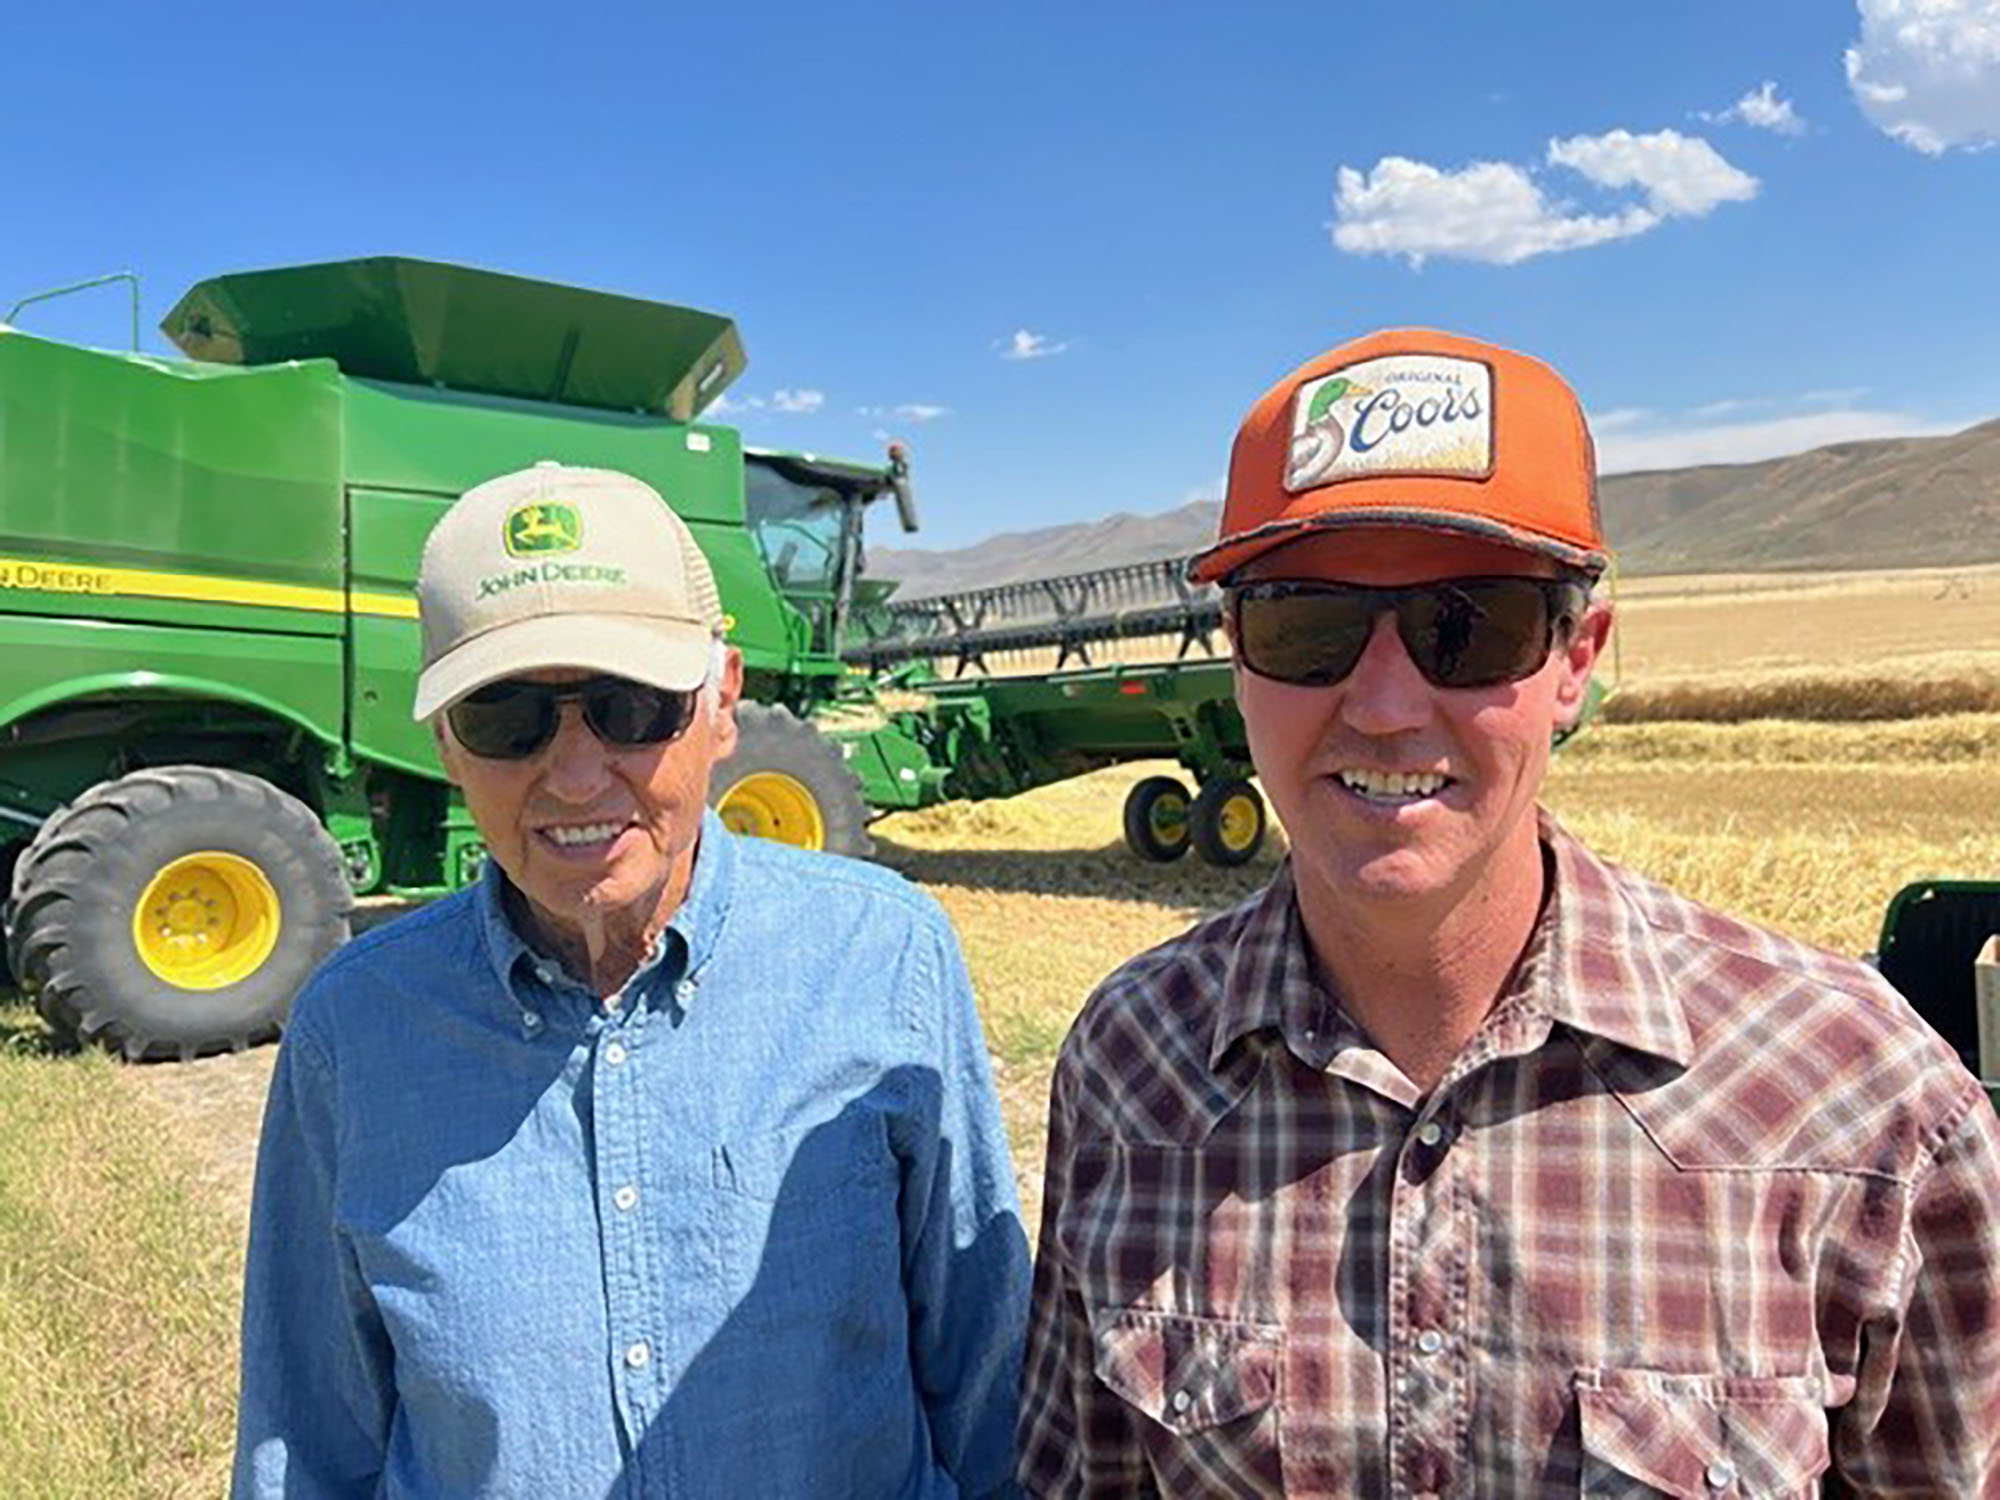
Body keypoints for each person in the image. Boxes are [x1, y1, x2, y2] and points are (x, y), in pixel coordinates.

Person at [1017, 330, 2000, 1495]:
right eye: (1305, 624)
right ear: (1236, 656)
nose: (1382, 705)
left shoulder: (1859, 1100)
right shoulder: (1130, 1062)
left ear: (1574, 659)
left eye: (1466, 626)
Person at [234, 462, 1028, 1498]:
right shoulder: (353, 1031)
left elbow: (987, 1390)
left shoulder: (884, 959)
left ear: (722, 703)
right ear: (444, 742)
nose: (573, 775)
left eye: (631, 705)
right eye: (506, 717)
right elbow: (307, 1445)